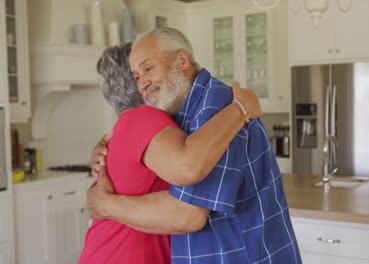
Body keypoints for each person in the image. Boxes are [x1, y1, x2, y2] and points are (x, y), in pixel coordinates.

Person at [88, 27, 302, 263]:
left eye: (148, 68)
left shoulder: (216, 108)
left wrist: (105, 204)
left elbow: (186, 215)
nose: (143, 83)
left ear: (181, 60)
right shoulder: (178, 116)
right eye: (136, 76)